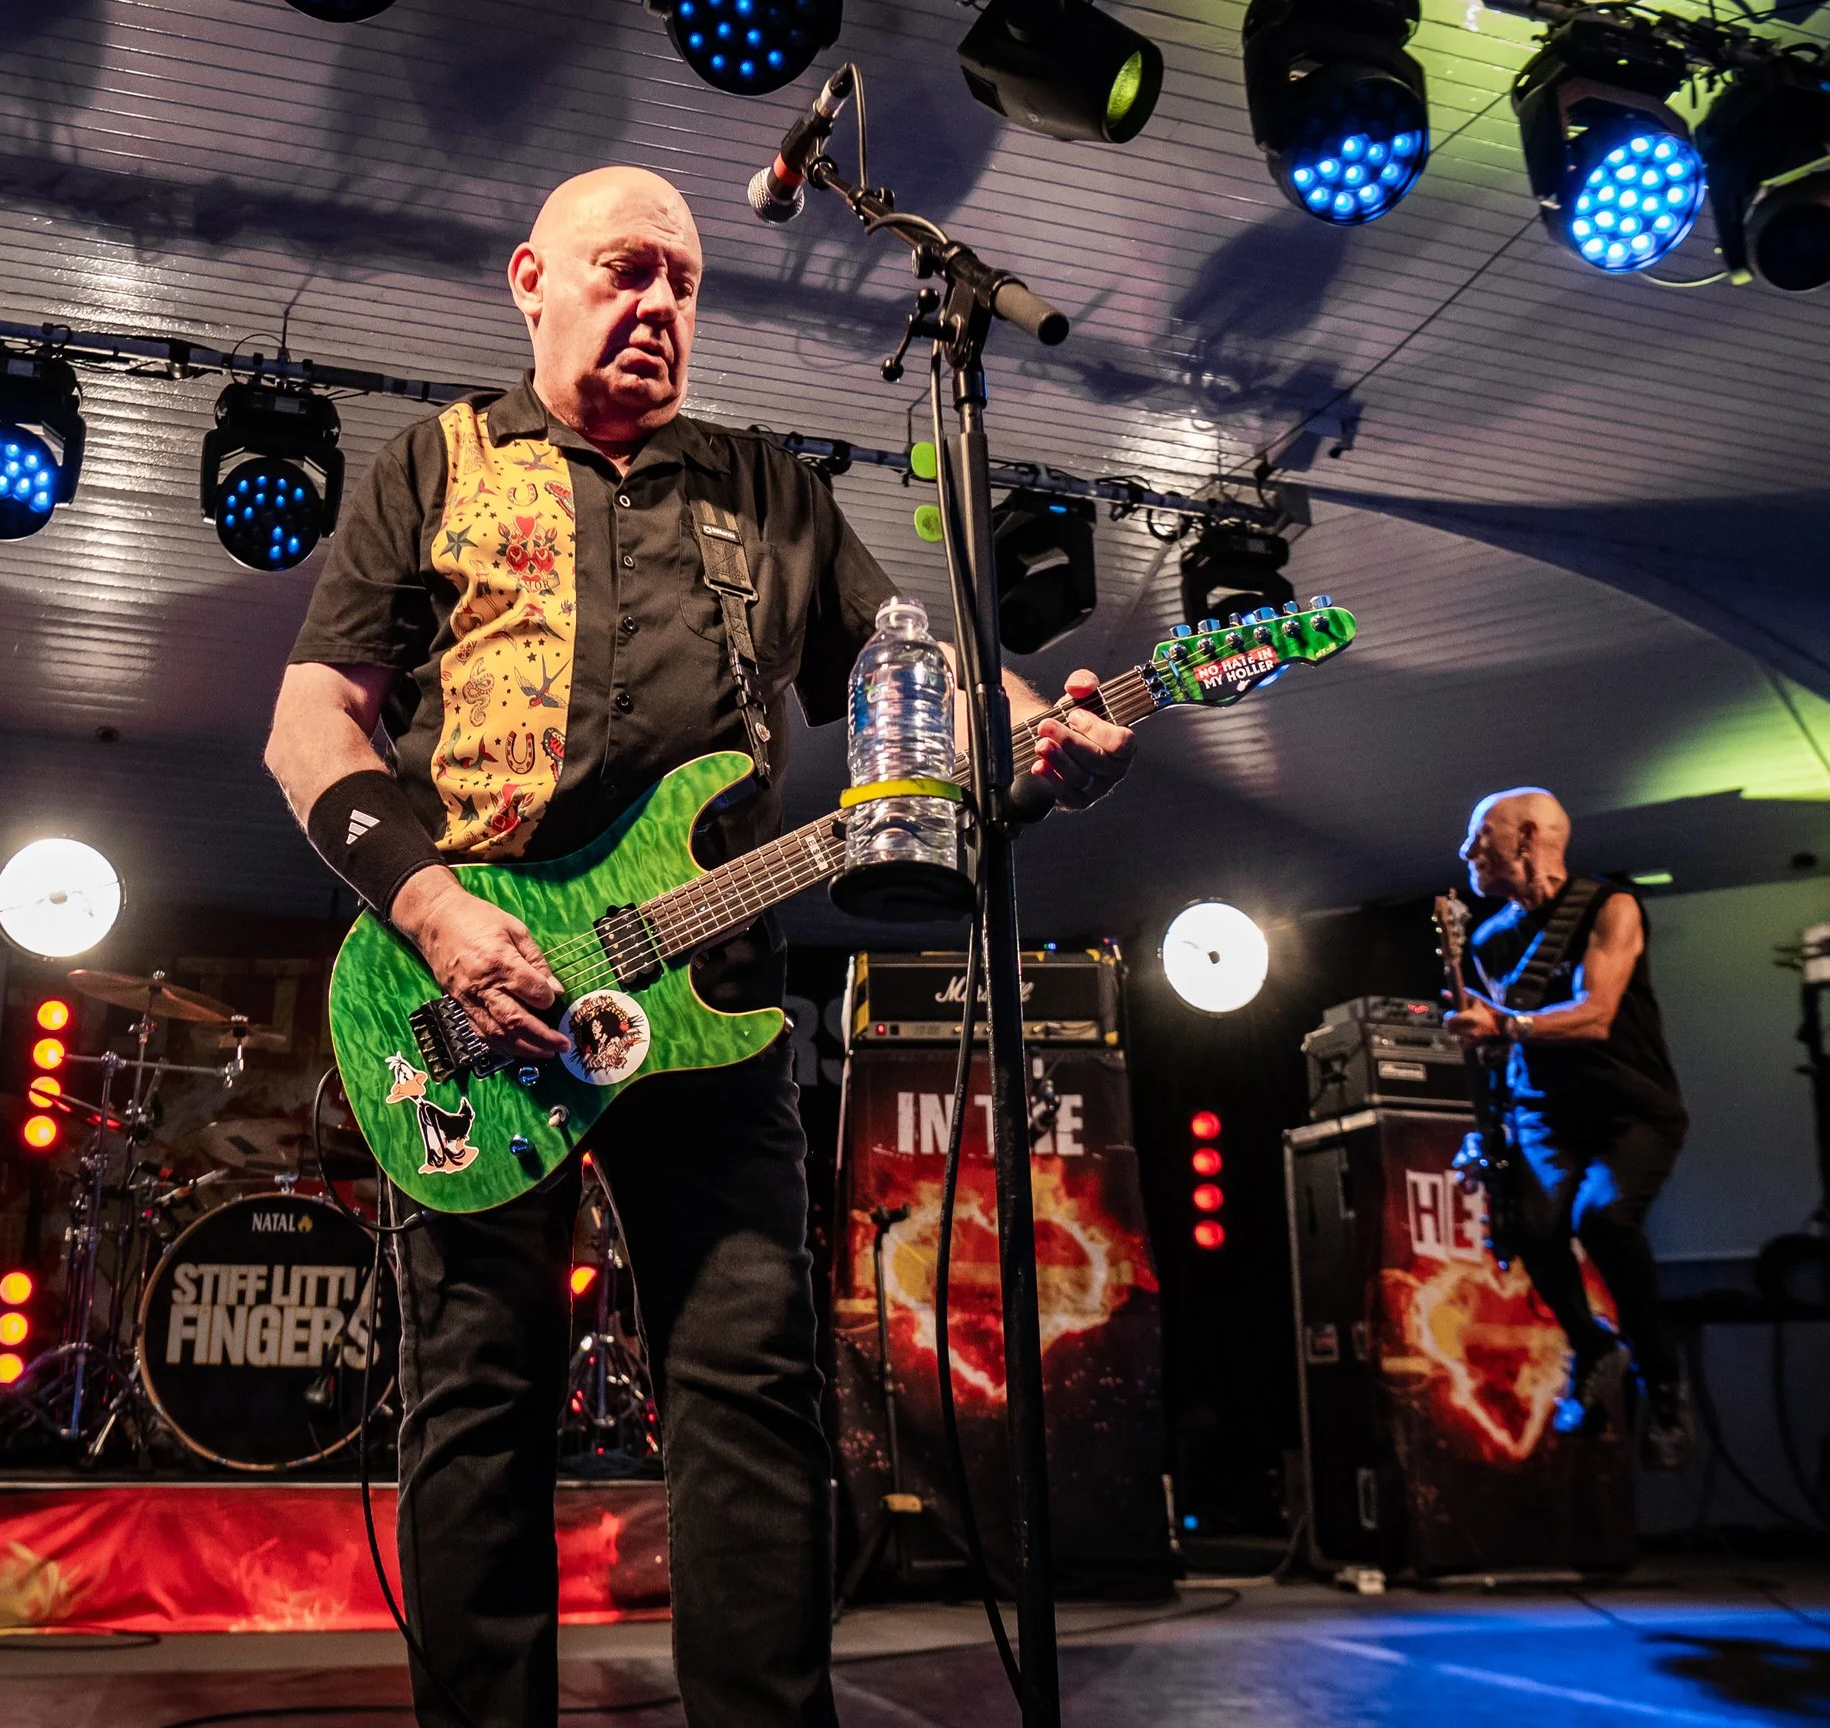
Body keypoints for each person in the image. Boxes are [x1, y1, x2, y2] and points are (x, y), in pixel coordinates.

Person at [262, 166, 1135, 1728]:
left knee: (749, 1396)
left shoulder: (765, 487)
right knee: (477, 1408)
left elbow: (910, 677)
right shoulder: (434, 461)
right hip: (479, 994)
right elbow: (311, 724)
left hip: (716, 998)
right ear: (532, 276)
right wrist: (437, 911)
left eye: (685, 280)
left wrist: (1043, 731)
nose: (659, 302)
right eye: (625, 269)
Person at [1445, 787, 1695, 1470]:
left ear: (1527, 838)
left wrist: (1509, 1024)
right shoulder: (1494, 941)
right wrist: (1486, 1135)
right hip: (1545, 1114)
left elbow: (1597, 1012)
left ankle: (1664, 1386)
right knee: (1528, 1227)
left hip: (1629, 1110)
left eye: (1482, 835)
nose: (1469, 851)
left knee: (1605, 1218)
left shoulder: (1608, 907)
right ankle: (1593, 1347)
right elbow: (1502, 1050)